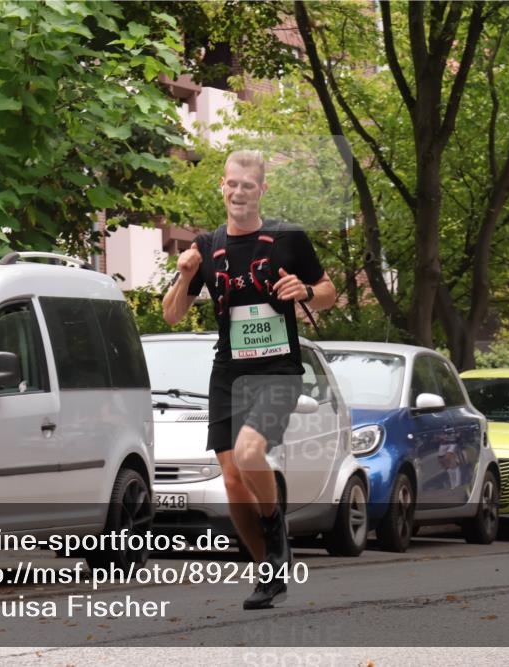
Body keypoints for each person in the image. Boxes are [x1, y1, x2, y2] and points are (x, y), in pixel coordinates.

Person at [162, 150, 336, 609]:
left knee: (249, 452)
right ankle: (269, 572)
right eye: (232, 184)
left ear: (262, 189)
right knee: (233, 480)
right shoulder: (206, 245)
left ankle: (275, 525)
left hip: (278, 367)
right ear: (222, 186)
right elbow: (172, 314)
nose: (239, 192)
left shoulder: (287, 239)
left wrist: (305, 291)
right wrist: (182, 278)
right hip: (229, 370)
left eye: (248, 185)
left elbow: (328, 293)